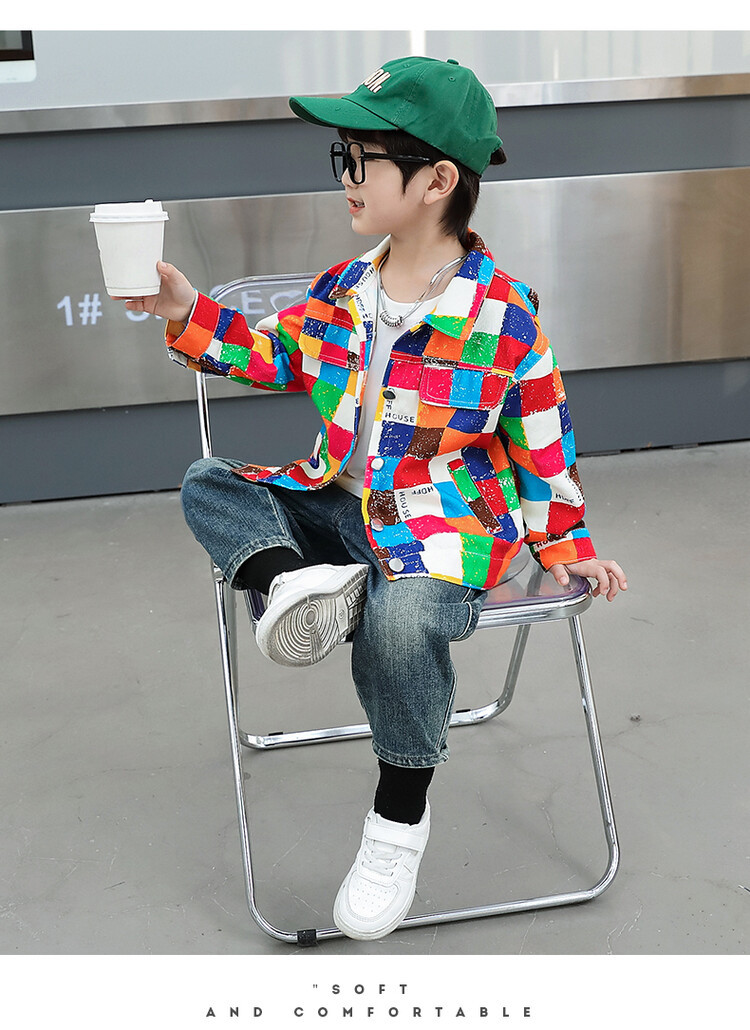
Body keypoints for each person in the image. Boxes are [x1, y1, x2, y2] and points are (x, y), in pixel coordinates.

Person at [123, 55, 627, 941]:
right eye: (343, 157)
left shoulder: (504, 315)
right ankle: (292, 583)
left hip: (442, 530)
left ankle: (398, 821)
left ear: (437, 181)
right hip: (337, 506)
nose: (346, 176)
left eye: (363, 158)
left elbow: (542, 444)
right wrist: (184, 307)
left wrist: (568, 547)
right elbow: (272, 353)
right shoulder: (345, 290)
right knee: (211, 482)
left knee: (401, 621)